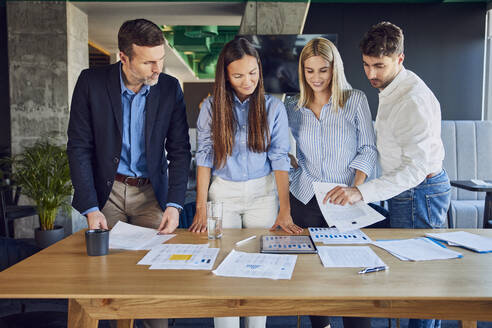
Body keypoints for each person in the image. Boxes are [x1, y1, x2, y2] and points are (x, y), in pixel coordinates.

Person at [67, 18, 191, 328]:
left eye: (160, 59)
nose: (157, 69)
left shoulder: (168, 87)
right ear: (124, 57)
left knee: (155, 293)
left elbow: (179, 150)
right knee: (104, 286)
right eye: (149, 62)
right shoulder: (91, 83)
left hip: (151, 195)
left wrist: (174, 205)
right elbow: (79, 147)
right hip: (106, 195)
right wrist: (90, 207)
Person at [326, 21, 451, 328]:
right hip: (405, 190)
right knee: (410, 277)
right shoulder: (392, 87)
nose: (371, 74)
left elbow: (416, 169)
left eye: (379, 66)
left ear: (400, 58)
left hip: (420, 191)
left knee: (419, 282)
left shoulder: (412, 100)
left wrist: (361, 192)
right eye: (367, 65)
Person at [189, 37, 302, 328]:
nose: (247, 81)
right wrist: (201, 207)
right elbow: (204, 157)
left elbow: (279, 160)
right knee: (221, 267)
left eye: (253, 73)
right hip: (223, 194)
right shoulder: (211, 108)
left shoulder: (272, 109)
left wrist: (284, 209)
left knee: (259, 268)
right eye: (238, 75)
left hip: (262, 194)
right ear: (225, 76)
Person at [285, 37, 377, 328]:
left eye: (323, 70)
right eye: (309, 71)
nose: (316, 78)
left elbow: (369, 149)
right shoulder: (291, 104)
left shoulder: (355, 100)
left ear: (334, 68)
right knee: (313, 276)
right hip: (306, 197)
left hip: (345, 198)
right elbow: (282, 145)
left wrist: (356, 188)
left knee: (353, 274)